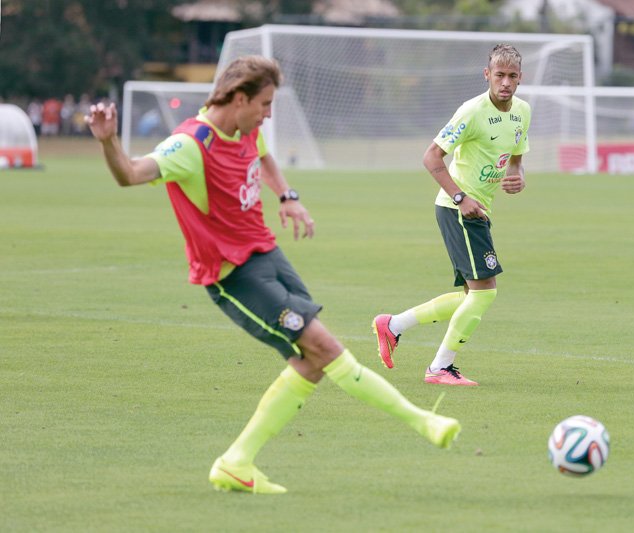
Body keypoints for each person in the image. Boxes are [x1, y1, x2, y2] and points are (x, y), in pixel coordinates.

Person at [85, 55, 460, 495]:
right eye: (263, 104)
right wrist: (109, 142)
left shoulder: (247, 129)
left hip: (267, 254)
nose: (267, 114)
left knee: (310, 364)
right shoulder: (190, 144)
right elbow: (130, 173)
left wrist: (287, 195)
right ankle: (424, 422)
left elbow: (264, 159)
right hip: (233, 275)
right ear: (239, 98)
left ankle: (236, 462)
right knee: (324, 347)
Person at [372, 44, 530, 386]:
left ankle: (393, 325)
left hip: (478, 210)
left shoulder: (522, 112)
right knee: (486, 292)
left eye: (512, 76)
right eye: (499, 75)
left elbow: (516, 154)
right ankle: (440, 367)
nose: (505, 82)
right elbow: (431, 157)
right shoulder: (471, 111)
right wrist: (460, 198)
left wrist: (517, 175)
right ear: (487, 75)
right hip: (457, 209)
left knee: (470, 297)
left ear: (520, 78)